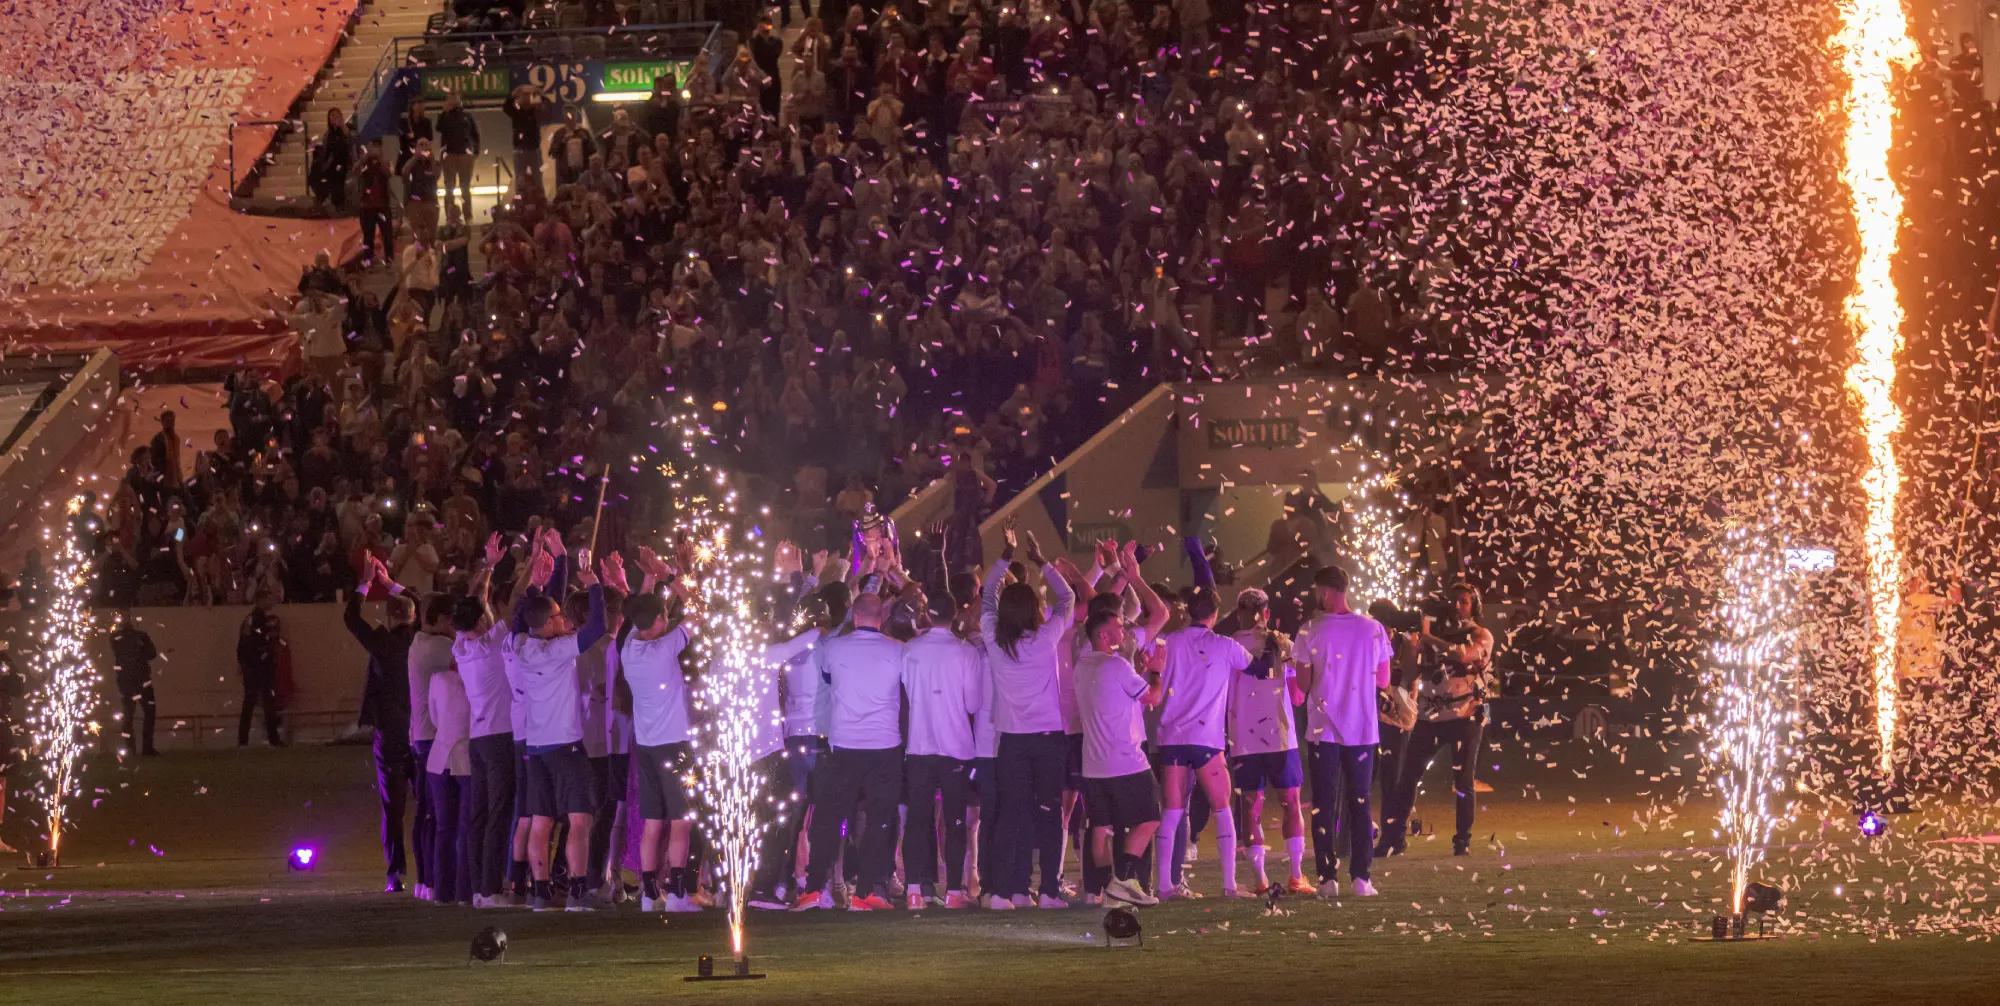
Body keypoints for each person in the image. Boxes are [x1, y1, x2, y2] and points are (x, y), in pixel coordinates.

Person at [506, 531, 608, 911]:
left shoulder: (521, 645)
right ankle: (578, 893)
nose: (565, 618)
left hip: (535, 748)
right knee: (580, 819)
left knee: (541, 820)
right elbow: (595, 628)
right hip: (566, 747)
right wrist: (594, 586)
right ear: (549, 623)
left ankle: (539, 892)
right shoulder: (561, 649)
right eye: (559, 616)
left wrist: (546, 571)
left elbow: (521, 616)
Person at [979, 522, 1076, 910]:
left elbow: (987, 596)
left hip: (1013, 741)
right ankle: (1048, 891)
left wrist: (1006, 556)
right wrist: (1041, 561)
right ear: (1035, 609)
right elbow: (1067, 599)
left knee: (1010, 814)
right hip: (1048, 739)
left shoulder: (994, 637)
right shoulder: (1045, 638)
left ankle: (1006, 891)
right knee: (1048, 813)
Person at [794, 592, 906, 911]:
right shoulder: (897, 650)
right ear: (881, 617)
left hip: (844, 744)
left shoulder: (835, 647)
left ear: (855, 616)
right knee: (878, 820)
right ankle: (868, 891)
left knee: (829, 819)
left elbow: (828, 678)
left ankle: (814, 888)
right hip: (884, 745)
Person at [1293, 564, 1392, 898]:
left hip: (1323, 729)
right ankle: (1361, 878)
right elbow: (1384, 680)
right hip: (1362, 728)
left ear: (1324, 591)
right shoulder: (1374, 629)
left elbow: (1303, 685)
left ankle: (1326, 879)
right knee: (1360, 802)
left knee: (1324, 802)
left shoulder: (1310, 630)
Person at [1154, 585, 1258, 899]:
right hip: (1207, 740)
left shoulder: (1169, 642)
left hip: (1172, 737)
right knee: (1222, 808)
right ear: (1214, 615)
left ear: (1187, 611)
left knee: (1172, 812)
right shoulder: (1225, 646)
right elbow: (1259, 668)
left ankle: (1163, 885)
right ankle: (1229, 885)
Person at [1377, 583, 1494, 857]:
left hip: (1465, 715)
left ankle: (1462, 841)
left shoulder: (1480, 634)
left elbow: (1463, 654)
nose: (1457, 606)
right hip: (1430, 717)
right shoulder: (1432, 636)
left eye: (1464, 601)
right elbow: (1409, 675)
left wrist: (1429, 638)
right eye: (1453, 601)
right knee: (1407, 778)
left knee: (1463, 781)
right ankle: (1393, 839)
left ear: (1474, 607)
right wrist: (1412, 646)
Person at [618, 564, 701, 913]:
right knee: (681, 819)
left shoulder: (628, 648)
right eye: (664, 617)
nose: (667, 621)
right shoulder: (664, 648)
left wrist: (653, 578)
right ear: (656, 622)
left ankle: (650, 896)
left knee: (653, 821)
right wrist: (675, 581)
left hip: (648, 746)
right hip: (675, 744)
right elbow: (699, 612)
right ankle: (679, 894)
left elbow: (639, 613)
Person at [899, 593, 986, 909]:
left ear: (927, 615)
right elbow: (974, 704)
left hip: (920, 745)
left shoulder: (910, 650)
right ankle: (952, 891)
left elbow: (906, 692)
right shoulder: (965, 653)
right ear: (955, 616)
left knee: (918, 819)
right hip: (955, 746)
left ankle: (913, 890)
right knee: (955, 820)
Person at [1074, 608, 1165, 908]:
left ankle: (1101, 890)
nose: (1123, 631)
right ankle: (1122, 880)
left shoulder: (1082, 665)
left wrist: (1135, 671)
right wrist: (1156, 672)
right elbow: (1152, 697)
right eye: (1117, 627)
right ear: (1103, 635)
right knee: (1151, 817)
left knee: (1101, 826)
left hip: (1094, 762)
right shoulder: (1116, 665)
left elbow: (1114, 696)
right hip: (1125, 759)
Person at [1227, 588, 1313, 894]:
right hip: (1280, 736)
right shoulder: (1282, 643)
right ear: (1265, 613)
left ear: (1239, 613)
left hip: (1243, 740)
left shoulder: (1228, 646)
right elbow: (1298, 696)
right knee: (1291, 803)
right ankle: (1295, 874)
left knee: (1252, 807)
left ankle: (1261, 879)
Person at [344, 557, 418, 893]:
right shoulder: (420, 640)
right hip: (422, 733)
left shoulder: (383, 644)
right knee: (430, 805)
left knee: (393, 808)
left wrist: (366, 582)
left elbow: (350, 618)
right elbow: (418, 601)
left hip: (390, 734)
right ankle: (429, 869)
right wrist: (390, 584)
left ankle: (396, 873)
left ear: (389, 617)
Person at [452, 534, 516, 908]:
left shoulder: (460, 647)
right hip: (497, 737)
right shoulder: (492, 644)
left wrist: (489, 566)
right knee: (497, 813)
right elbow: (514, 602)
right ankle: (491, 889)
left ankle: (477, 887)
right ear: (481, 621)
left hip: (478, 738)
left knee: (478, 815)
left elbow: (476, 599)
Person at [408, 591, 458, 901]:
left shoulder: (417, 643)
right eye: (452, 619)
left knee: (426, 813)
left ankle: (425, 879)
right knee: (441, 816)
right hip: (434, 737)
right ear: (440, 620)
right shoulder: (442, 648)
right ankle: (438, 881)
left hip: (419, 735)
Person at [427, 660, 473, 905]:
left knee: (445, 828)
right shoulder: (476, 679)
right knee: (466, 827)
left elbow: (435, 717)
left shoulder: (438, 679)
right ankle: (465, 890)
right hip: (465, 758)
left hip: (440, 757)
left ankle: (443, 892)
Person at [236, 590, 285, 748]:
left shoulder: (249, 620)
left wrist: (244, 664)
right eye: (269, 599)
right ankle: (273, 738)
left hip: (251, 666)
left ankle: (243, 739)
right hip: (260, 667)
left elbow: (242, 645)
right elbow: (261, 644)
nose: (271, 603)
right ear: (261, 600)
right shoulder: (260, 620)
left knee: (249, 702)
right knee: (267, 701)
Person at [108, 611, 161, 757]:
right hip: (141, 679)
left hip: (126, 681)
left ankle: (131, 749)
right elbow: (151, 654)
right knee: (147, 713)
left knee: (128, 715)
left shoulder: (115, 638)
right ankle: (147, 748)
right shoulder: (141, 636)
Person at [436, 92, 480, 226]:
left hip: (465, 155)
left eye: (456, 97)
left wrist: (476, 151)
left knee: (465, 187)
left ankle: (468, 216)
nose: (454, 100)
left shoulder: (467, 116)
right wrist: (444, 111)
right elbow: (439, 128)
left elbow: (475, 134)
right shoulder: (444, 116)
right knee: (449, 187)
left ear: (460, 99)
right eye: (451, 98)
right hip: (449, 155)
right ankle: (450, 216)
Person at [308, 108, 354, 212]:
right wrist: (314, 147)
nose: (334, 118)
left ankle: (338, 203)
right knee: (315, 173)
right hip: (329, 162)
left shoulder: (346, 129)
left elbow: (350, 142)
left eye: (337, 115)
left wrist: (342, 126)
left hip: (341, 161)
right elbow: (325, 149)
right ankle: (321, 199)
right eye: (332, 116)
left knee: (336, 175)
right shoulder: (328, 134)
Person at [356, 142, 395, 266]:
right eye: (372, 147)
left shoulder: (385, 162)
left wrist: (380, 161)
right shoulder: (364, 163)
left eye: (377, 147)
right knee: (368, 235)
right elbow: (355, 170)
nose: (374, 150)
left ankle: (389, 259)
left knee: (387, 234)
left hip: (383, 205)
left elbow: (389, 174)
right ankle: (368, 259)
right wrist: (365, 158)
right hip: (367, 206)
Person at [0, 642, 23, 853]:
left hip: (1, 721)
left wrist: (6, 662)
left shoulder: (3, 660)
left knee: (2, 780)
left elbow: (18, 688)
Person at [503, 86, 543, 195]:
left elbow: (545, 107)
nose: (525, 98)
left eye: (527, 95)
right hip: (520, 149)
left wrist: (539, 94)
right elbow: (506, 107)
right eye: (523, 95)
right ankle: (519, 204)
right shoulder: (516, 111)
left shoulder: (535, 111)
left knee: (537, 178)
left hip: (533, 149)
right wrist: (513, 94)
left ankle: (540, 202)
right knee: (520, 179)